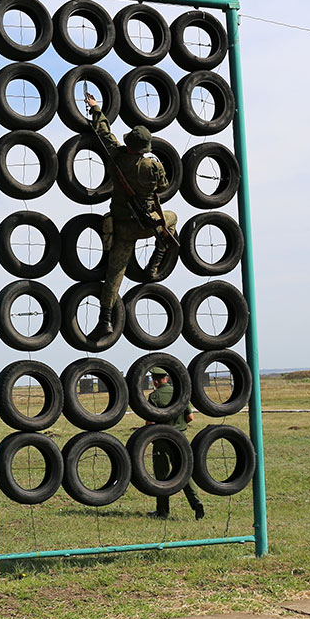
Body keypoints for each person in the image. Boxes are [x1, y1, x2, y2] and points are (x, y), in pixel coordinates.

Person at [84, 94, 178, 342]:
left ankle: (105, 319)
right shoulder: (152, 166)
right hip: (148, 225)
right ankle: (155, 263)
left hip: (123, 227)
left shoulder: (117, 156)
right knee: (172, 218)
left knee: (115, 273)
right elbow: (163, 186)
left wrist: (96, 108)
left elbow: (104, 133)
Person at [145, 368, 204, 520]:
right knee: (184, 472)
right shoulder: (179, 393)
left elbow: (150, 423)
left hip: (162, 439)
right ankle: (196, 502)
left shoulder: (154, 397)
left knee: (162, 475)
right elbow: (190, 417)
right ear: (166, 378)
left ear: (155, 380)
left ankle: (162, 511)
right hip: (180, 439)